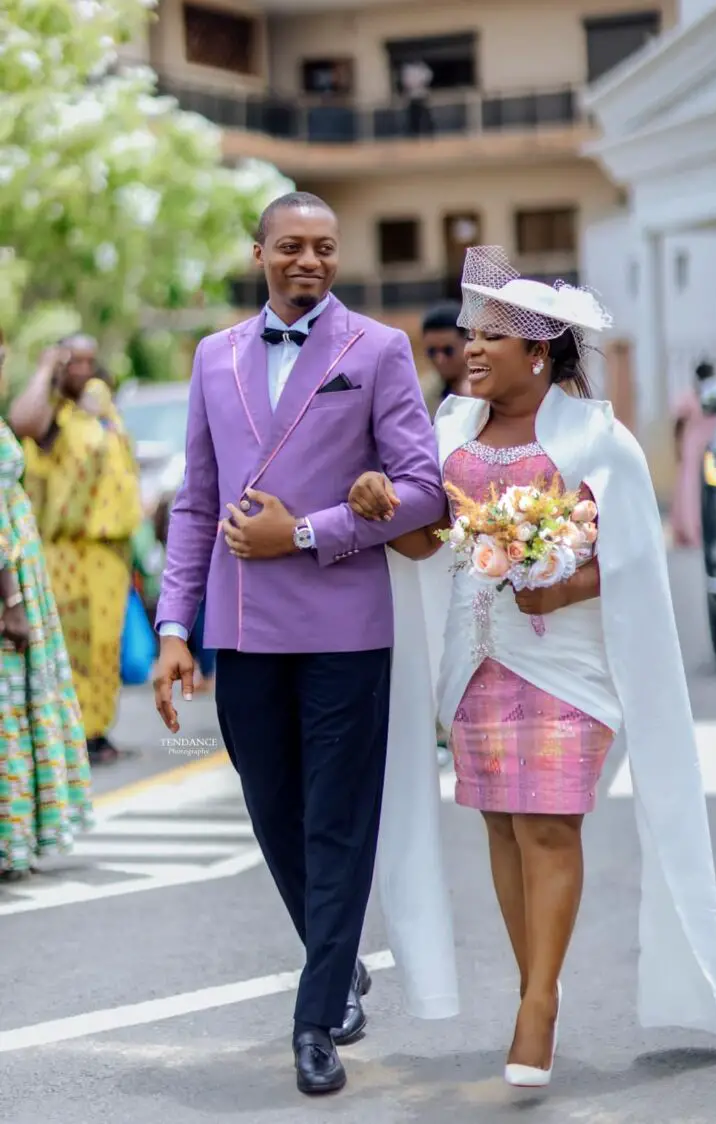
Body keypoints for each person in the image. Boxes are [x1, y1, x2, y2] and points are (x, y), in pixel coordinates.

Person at [348, 246, 716, 1087]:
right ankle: (533, 984)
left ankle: (539, 1005)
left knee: (550, 823)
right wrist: (376, 501)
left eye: (489, 338)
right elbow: (426, 542)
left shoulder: (601, 440)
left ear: (537, 354)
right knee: (501, 825)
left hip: (569, 666)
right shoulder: (447, 429)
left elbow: (627, 563)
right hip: (474, 660)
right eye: (467, 336)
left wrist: (559, 586)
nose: (470, 350)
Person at [152, 191, 458, 1097]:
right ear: (260, 254)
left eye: (325, 248)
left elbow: (423, 491)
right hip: (240, 629)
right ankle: (339, 961)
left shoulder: (377, 350)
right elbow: (196, 504)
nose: (310, 262)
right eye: (292, 246)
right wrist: (176, 627)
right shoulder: (215, 357)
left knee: (337, 822)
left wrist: (309, 532)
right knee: (275, 811)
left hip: (344, 629)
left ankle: (316, 1016)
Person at [9, 336, 142, 764]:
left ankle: (97, 732)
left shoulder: (101, 413)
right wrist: (48, 365)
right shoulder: (52, 418)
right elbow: (21, 422)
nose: (82, 369)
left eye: (89, 359)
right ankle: (73, 737)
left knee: (104, 648)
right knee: (74, 648)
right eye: (73, 361)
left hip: (111, 551)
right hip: (68, 552)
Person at [0, 330, 93, 879]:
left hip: (19, 573)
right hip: (8, 582)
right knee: (9, 712)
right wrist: (10, 599)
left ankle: (17, 838)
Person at [670, 359, 716, 548]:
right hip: (692, 449)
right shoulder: (689, 397)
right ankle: (692, 531)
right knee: (691, 489)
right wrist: (678, 448)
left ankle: (712, 530)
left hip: (712, 447)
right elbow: (678, 425)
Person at [420, 301, 471, 418]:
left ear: (468, 343)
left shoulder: (490, 391)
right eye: (432, 351)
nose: (440, 359)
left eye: (448, 351)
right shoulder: (423, 397)